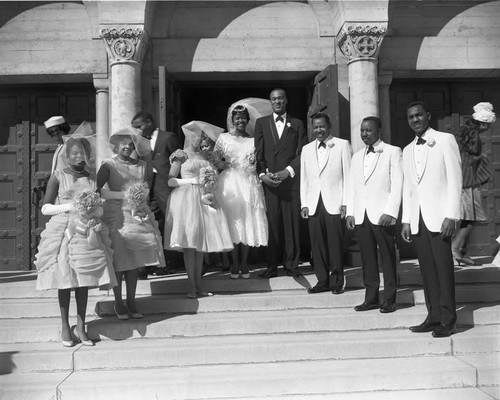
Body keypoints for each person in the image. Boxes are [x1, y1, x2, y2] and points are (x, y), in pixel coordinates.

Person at [34, 129, 116, 347]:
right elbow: (45, 208)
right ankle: (64, 326)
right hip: (65, 232)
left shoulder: (92, 177)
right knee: (65, 282)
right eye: (74, 153)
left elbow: (98, 205)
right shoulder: (58, 176)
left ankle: (80, 326)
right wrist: (71, 206)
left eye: (83, 153)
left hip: (87, 231)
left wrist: (95, 210)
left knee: (84, 281)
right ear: (67, 155)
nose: (79, 157)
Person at [401, 101, 462, 338]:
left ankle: (449, 319)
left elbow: (455, 181)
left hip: (439, 217)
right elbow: (409, 187)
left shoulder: (445, 140)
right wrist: (406, 219)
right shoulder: (407, 149)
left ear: (428, 116)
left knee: (443, 270)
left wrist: (452, 215)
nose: (415, 119)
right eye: (411, 117)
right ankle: (433, 315)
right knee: (427, 270)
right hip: (418, 219)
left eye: (418, 115)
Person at [97, 127, 165, 320]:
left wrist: (140, 202)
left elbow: (144, 190)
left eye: (130, 144)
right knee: (119, 261)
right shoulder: (108, 164)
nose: (127, 147)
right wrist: (123, 195)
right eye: (122, 144)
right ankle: (118, 302)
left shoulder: (142, 165)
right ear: (116, 146)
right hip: (116, 216)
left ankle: (132, 301)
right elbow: (97, 190)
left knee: (134, 263)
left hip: (136, 215)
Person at [165, 121, 233, 298]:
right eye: (193, 136)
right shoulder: (181, 155)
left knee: (201, 245)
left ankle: (199, 284)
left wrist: (211, 181)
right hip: (186, 200)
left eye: (200, 136)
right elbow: (170, 180)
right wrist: (191, 181)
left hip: (205, 199)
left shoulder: (207, 156)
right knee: (190, 244)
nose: (197, 139)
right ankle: (191, 285)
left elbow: (216, 174)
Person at [346, 116, 403, 313]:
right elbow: (352, 186)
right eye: (362, 130)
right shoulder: (356, 156)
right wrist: (351, 212)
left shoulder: (393, 152)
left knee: (387, 257)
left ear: (379, 131)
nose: (364, 134)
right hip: (362, 215)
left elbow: (397, 185)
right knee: (367, 259)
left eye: (368, 130)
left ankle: (389, 299)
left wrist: (391, 212)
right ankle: (371, 298)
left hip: (382, 215)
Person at [254, 88, 309, 278]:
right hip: (270, 184)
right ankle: (271, 266)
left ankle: (292, 265)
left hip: (290, 183)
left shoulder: (297, 124)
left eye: (280, 99)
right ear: (271, 102)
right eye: (274, 99)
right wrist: (263, 175)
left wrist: (288, 171)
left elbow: (302, 152)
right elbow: (258, 154)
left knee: (291, 225)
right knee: (272, 225)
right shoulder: (261, 123)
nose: (277, 102)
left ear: (286, 100)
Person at [215, 104, 268, 279]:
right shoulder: (223, 138)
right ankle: (233, 262)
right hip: (230, 184)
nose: (240, 121)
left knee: (247, 220)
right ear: (232, 120)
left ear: (248, 119)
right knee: (232, 221)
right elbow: (215, 159)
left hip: (248, 183)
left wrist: (252, 164)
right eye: (237, 118)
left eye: (243, 117)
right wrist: (223, 164)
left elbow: (259, 161)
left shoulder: (253, 140)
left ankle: (244, 262)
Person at [300, 113, 351, 294]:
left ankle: (337, 281)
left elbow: (348, 177)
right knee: (317, 244)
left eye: (322, 127)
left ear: (329, 126)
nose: (319, 130)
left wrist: (346, 203)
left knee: (335, 243)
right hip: (314, 203)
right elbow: (304, 179)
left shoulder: (342, 145)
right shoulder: (306, 149)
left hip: (334, 202)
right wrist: (304, 203)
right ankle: (322, 280)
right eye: (316, 127)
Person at [131, 111, 180, 277]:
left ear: (149, 121)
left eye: (139, 126)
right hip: (148, 187)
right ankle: (153, 263)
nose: (138, 130)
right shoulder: (140, 142)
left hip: (166, 186)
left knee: (170, 224)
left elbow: (178, 160)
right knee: (151, 225)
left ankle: (171, 263)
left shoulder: (168, 137)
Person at [452, 102, 496, 265]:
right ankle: (456, 248)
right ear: (482, 122)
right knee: (472, 216)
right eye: (487, 124)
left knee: (469, 216)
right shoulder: (472, 134)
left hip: (464, 179)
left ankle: (462, 251)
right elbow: (470, 155)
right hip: (468, 180)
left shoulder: (463, 130)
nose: (488, 128)